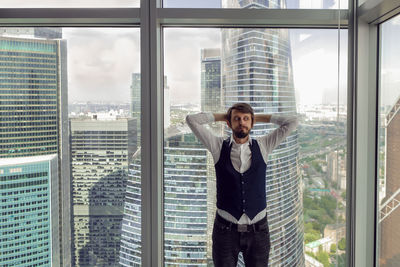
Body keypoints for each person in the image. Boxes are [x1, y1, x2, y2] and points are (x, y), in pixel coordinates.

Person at [186, 103, 299, 267]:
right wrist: (223, 116)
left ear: (252, 123)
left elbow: (292, 122)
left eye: (246, 119)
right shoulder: (218, 146)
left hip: (258, 231)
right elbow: (191, 120)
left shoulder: (264, 145)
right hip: (225, 232)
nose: (242, 123)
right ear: (229, 123)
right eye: (236, 119)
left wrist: (258, 118)